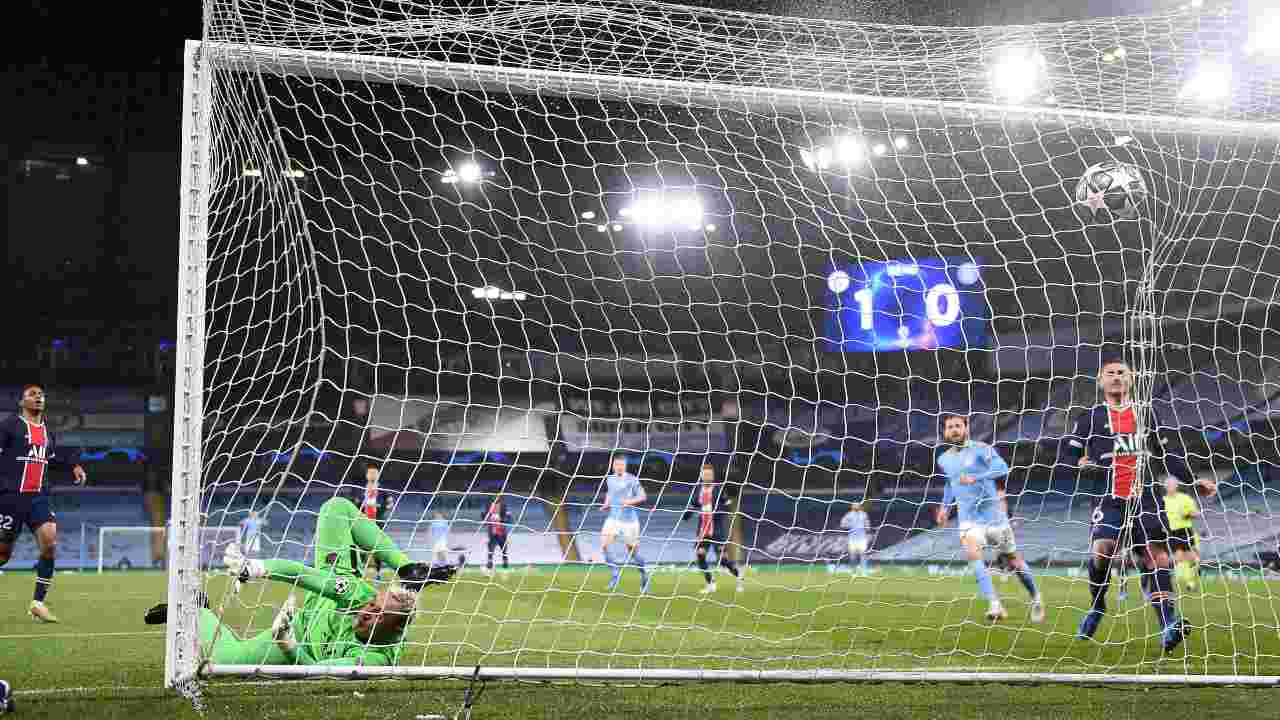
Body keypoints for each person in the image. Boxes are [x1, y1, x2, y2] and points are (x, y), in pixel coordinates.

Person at [145, 496, 455, 666]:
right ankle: (408, 568)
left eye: (376, 615)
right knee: (336, 508)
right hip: (328, 592)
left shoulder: (372, 659)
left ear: (393, 630)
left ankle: (195, 608)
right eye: (373, 604)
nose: (366, 610)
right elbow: (302, 575)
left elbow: (313, 671)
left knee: (227, 660)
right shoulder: (359, 595)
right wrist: (255, 568)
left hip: (301, 637)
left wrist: (288, 643)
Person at [1065, 359, 1216, 652]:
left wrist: (1193, 481)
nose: (1116, 377)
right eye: (1110, 373)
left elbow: (1167, 455)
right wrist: (1079, 462)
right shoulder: (1090, 417)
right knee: (1103, 550)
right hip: (1109, 499)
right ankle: (1097, 607)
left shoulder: (1147, 414)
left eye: (1122, 373)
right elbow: (1067, 454)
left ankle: (1169, 624)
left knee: (1155, 558)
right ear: (1100, 381)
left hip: (1146, 497)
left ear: (1131, 379)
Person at [934, 413, 1043, 623]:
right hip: (968, 519)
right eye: (950, 427)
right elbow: (950, 483)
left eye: (958, 426)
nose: (954, 430)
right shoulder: (943, 459)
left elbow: (1002, 468)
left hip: (994, 517)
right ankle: (995, 604)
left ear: (966, 428)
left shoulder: (982, 449)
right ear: (945, 432)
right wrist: (944, 507)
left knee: (1014, 561)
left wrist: (977, 477)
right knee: (973, 554)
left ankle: (1036, 597)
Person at [0, 383, 87, 623]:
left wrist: (74, 465)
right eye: (32, 394)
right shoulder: (10, 425)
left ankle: (37, 603)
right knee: (3, 554)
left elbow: (53, 457)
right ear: (22, 402)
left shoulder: (48, 432)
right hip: (10, 497)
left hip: (38, 497)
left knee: (49, 542)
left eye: (41, 394)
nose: (38, 397)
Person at [682, 463, 743, 594]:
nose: (707, 476)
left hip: (717, 529)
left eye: (710, 474)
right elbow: (693, 505)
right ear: (701, 476)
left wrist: (719, 509)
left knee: (723, 560)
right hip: (703, 530)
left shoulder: (718, 490)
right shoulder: (698, 491)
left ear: (712, 476)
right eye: (705, 474)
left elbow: (728, 505)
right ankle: (711, 584)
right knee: (700, 555)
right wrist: (687, 515)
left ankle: (739, 576)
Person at [601, 454, 650, 594]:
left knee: (633, 553)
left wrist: (629, 502)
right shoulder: (609, 479)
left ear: (625, 466)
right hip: (613, 519)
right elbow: (610, 493)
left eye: (622, 465)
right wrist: (606, 504)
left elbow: (643, 496)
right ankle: (615, 573)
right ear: (613, 465)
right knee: (604, 544)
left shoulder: (632, 479)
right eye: (617, 464)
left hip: (629, 522)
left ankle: (644, 575)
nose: (619, 467)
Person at [1164, 475, 1203, 592]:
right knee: (1179, 558)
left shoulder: (1185, 498)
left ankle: (1194, 570)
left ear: (1176, 486)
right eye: (1168, 485)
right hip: (1172, 532)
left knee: (1191, 557)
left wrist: (1186, 514)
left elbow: (1196, 513)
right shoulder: (1163, 500)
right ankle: (1189, 583)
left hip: (1185, 530)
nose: (1170, 487)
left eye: (1172, 485)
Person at [354, 463, 389, 576]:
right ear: (366, 475)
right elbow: (355, 503)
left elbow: (388, 504)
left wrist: (379, 510)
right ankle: (360, 571)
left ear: (378, 475)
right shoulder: (360, 489)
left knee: (377, 547)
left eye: (375, 473)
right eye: (370, 473)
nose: (372, 475)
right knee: (361, 545)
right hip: (363, 521)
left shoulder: (383, 491)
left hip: (377, 522)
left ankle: (378, 572)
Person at [839, 502, 870, 576]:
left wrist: (867, 527)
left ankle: (864, 572)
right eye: (854, 506)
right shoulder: (849, 515)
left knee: (863, 555)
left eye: (857, 505)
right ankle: (853, 572)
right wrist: (849, 525)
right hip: (852, 538)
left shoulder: (863, 514)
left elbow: (867, 523)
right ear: (852, 507)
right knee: (853, 556)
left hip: (862, 538)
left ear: (859, 506)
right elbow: (842, 524)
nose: (856, 507)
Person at [484, 495, 512, 574]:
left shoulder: (503, 506)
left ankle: (505, 562)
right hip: (492, 532)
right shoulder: (489, 506)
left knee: (503, 548)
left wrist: (504, 519)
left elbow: (508, 518)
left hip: (501, 532)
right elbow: (485, 517)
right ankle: (489, 563)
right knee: (490, 548)